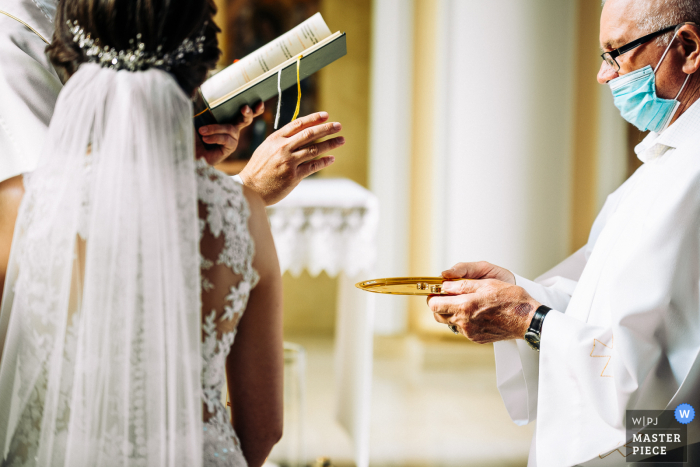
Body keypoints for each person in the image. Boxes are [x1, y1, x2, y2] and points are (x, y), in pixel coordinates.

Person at [0, 0, 294, 464]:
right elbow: (263, 430)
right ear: (199, 64)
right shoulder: (241, 213)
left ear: (70, 56)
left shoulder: (16, 204)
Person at [428, 0, 700, 465]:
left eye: (616, 52)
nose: (603, 74)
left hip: (653, 447)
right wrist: (517, 294)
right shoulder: (663, 159)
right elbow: (599, 299)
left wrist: (529, 321)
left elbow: (663, 385)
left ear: (689, 47)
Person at [0, 0, 345, 301]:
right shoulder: (13, 40)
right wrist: (245, 192)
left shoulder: (73, 21)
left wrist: (177, 154)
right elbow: (66, 224)